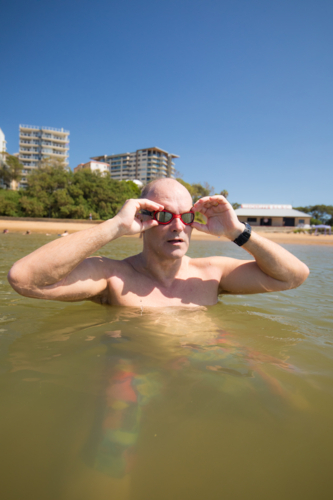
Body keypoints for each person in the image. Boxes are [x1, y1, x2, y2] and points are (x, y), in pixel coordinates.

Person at [7, 178, 309, 307]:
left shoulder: (212, 274)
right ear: (141, 220)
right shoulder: (112, 277)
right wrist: (114, 226)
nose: (178, 226)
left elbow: (294, 277)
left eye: (187, 216)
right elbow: (24, 280)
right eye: (163, 216)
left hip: (206, 365)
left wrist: (235, 231)